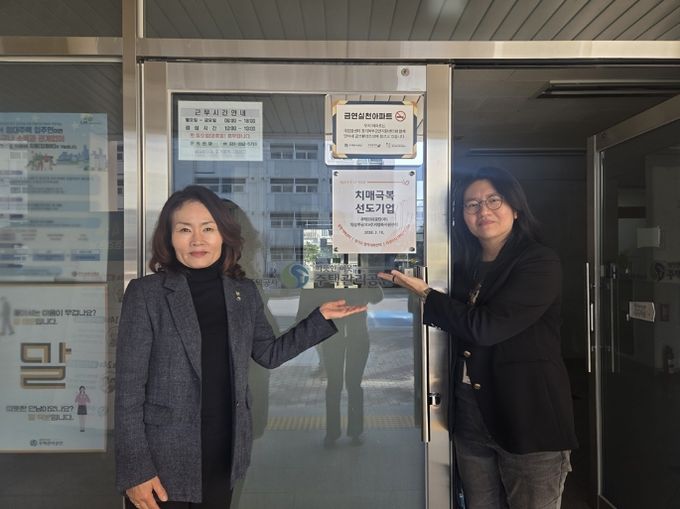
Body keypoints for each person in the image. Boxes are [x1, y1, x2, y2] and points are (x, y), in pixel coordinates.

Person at [114, 186, 366, 509]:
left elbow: (268, 353)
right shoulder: (146, 294)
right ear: (169, 237)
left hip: (225, 450)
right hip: (163, 459)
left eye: (208, 228)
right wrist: (135, 470)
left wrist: (319, 319)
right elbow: (128, 391)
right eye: (185, 230)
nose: (197, 240)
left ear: (224, 234)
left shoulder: (242, 293)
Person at [378, 167, 578, 509]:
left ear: (516, 208)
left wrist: (427, 294)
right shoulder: (464, 266)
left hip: (528, 415)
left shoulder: (539, 262)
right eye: (471, 205)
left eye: (493, 200)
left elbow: (486, 328)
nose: (483, 210)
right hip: (470, 411)